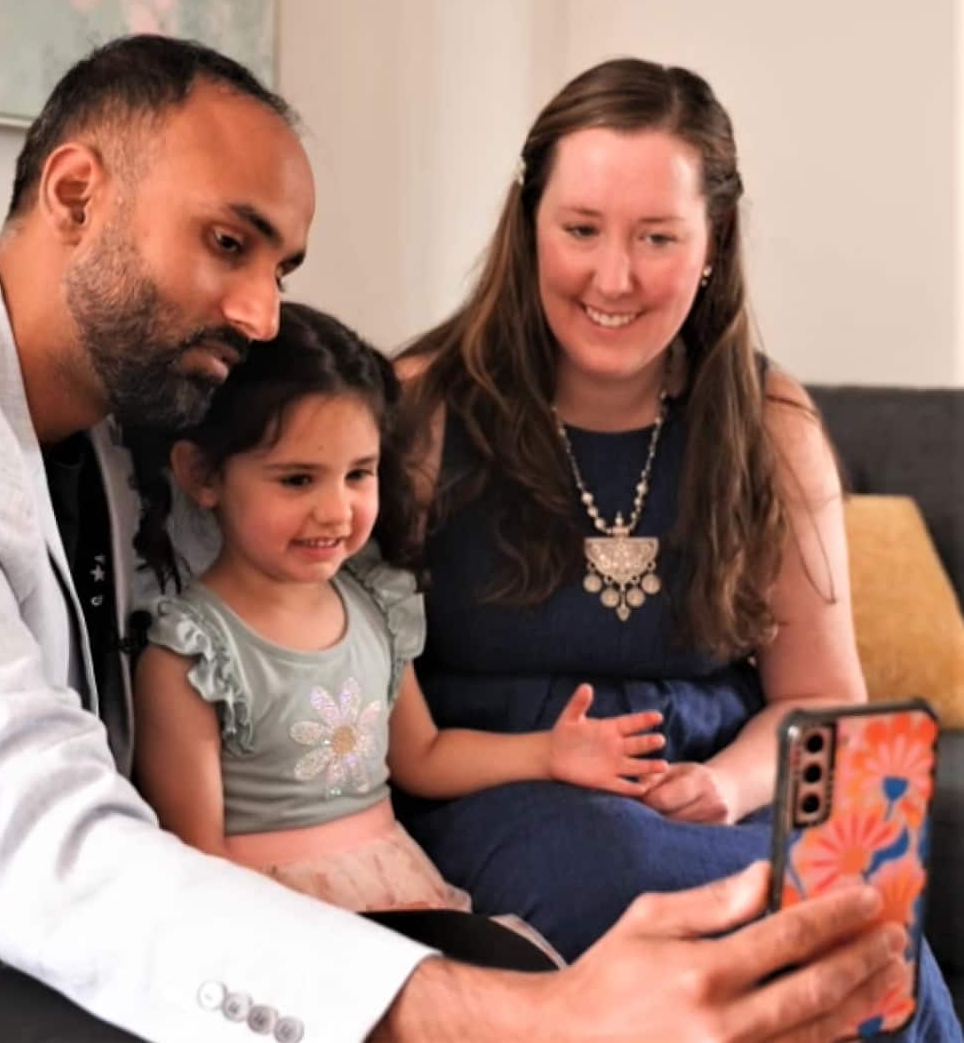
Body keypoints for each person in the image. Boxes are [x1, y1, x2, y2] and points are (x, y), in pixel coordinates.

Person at [0, 34, 911, 1043]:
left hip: (11, 922)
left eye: (279, 266)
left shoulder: (136, 425)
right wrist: (531, 1016)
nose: (260, 312)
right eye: (227, 244)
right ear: (74, 195)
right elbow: (41, 849)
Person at [392, 57, 962, 1040]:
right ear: (527, 225)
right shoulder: (421, 410)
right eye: (580, 230)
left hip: (721, 802)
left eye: (656, 237)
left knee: (872, 948)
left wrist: (723, 785)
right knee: (625, 882)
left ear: (713, 243)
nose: (613, 277)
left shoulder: (769, 422)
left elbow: (822, 704)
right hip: (504, 802)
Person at [130, 301, 661, 951]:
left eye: (359, 474)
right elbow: (197, 860)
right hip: (280, 925)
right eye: (297, 480)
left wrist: (549, 753)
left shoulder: (374, 605)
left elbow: (422, 756)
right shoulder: (194, 656)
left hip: (401, 886)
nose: (337, 511)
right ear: (202, 475)